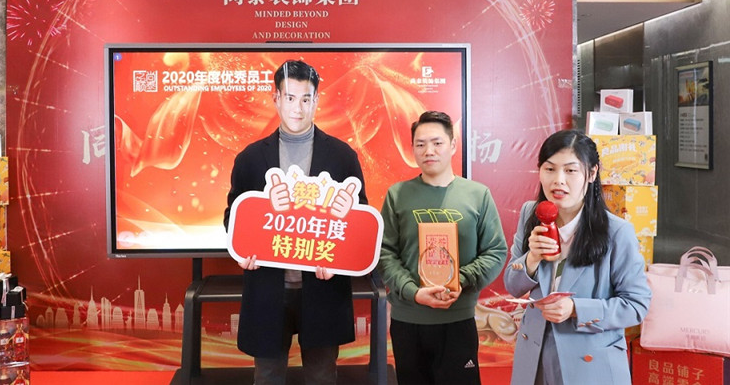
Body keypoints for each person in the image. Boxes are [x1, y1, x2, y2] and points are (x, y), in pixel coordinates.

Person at [224, 59, 368, 385]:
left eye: (306, 99)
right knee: (268, 376)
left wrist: (341, 256)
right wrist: (244, 248)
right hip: (268, 288)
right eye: (290, 98)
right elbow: (233, 217)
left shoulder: (343, 157)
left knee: (322, 376)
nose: (298, 108)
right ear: (276, 98)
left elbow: (360, 222)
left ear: (317, 100)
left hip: (323, 288)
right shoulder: (250, 159)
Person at [504, 129, 651, 385]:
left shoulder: (617, 231)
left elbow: (636, 305)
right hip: (535, 358)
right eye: (550, 169)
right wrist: (531, 259)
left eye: (570, 170)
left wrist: (576, 309)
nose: (558, 181)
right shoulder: (531, 214)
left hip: (590, 365)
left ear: (591, 174)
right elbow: (513, 286)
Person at [378, 111, 507, 385]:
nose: (429, 151)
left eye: (437, 143)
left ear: (453, 145)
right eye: (420, 144)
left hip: (457, 319)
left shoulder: (477, 194)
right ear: (413, 148)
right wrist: (413, 292)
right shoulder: (397, 195)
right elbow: (385, 253)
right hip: (408, 319)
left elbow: (495, 251)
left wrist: (460, 279)